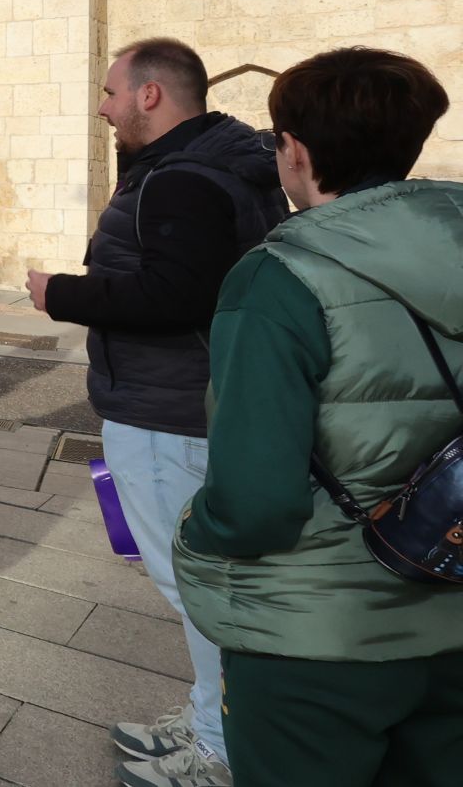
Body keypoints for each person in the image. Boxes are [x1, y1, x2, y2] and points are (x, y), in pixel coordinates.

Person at [172, 48, 462, 787]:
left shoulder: (278, 278)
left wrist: (193, 532)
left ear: (294, 150)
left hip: (319, 638)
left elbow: (255, 503)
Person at [24, 38, 286, 787]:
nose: (102, 107)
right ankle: (213, 718)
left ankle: (226, 748)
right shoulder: (209, 166)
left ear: (150, 96)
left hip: (169, 410)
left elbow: (177, 296)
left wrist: (62, 295)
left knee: (195, 586)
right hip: (181, 401)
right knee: (198, 581)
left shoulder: (182, 180)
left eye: (110, 93)